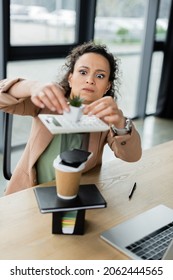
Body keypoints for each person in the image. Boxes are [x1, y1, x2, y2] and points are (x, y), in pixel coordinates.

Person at [0, 41, 142, 195]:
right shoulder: (48, 101)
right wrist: (31, 86)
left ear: (107, 86)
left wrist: (120, 124)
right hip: (30, 191)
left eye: (100, 75)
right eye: (83, 72)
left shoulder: (106, 116)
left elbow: (132, 156)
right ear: (70, 78)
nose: (90, 80)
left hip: (78, 193)